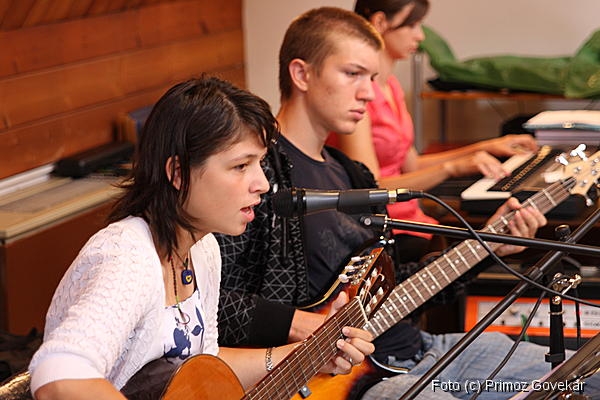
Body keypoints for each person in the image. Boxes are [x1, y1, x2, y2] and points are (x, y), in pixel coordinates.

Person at [212, 7, 600, 400]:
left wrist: (488, 245)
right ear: (301, 74)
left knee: (588, 375)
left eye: (372, 78)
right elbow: (210, 301)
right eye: (352, 74)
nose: (368, 92)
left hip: (423, 351)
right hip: (356, 380)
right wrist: (300, 325)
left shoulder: (352, 174)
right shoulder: (260, 174)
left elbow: (397, 286)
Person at [27, 76, 375, 400]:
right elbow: (59, 374)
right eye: (241, 166)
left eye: (259, 163)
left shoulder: (204, 249)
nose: (262, 183)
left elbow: (203, 363)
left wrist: (308, 355)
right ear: (178, 173)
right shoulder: (126, 257)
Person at [329, 0, 541, 264]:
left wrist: (486, 147)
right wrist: (452, 167)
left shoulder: (391, 86)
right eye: (412, 25)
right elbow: (372, 188)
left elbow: (412, 165)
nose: (420, 36)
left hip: (415, 221)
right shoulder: (360, 99)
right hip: (387, 230)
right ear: (380, 22)